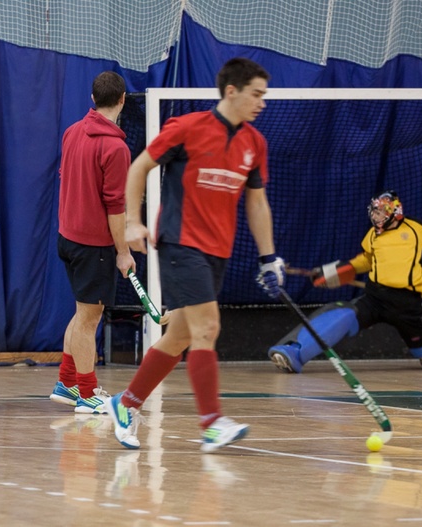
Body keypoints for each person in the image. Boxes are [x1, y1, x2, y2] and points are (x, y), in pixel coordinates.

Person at [108, 57, 285, 452]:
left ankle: (126, 403)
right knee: (208, 329)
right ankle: (211, 423)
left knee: (181, 337)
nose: (262, 103)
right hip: (180, 243)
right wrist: (133, 222)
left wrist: (268, 257)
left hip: (217, 251)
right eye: (256, 94)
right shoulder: (187, 128)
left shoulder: (255, 143)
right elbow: (139, 168)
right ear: (232, 91)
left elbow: (257, 203)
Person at [268, 190, 422, 374]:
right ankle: (294, 352)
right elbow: (366, 260)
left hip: (407, 305)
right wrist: (336, 271)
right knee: (342, 314)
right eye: (374, 212)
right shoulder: (373, 235)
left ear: (394, 212)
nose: (375, 216)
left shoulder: (415, 229)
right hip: (375, 299)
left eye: (380, 212)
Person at [49, 71, 135, 415]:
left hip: (67, 238)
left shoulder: (71, 132)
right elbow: (115, 207)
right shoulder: (116, 148)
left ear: (92, 98)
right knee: (89, 319)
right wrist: (123, 252)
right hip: (93, 247)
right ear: (123, 100)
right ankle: (86, 393)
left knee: (82, 313)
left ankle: (66, 383)